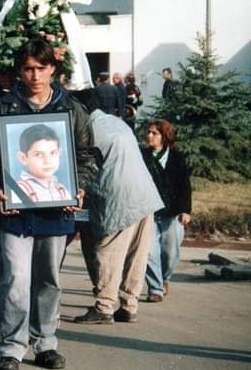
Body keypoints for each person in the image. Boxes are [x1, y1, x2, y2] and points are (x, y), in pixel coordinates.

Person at [0, 39, 96, 370]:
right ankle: (12, 348)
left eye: (41, 68)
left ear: (52, 69)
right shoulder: (3, 108)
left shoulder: (71, 108)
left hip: (56, 210)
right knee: (15, 280)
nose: (35, 76)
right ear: (19, 71)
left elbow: (87, 155)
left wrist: (79, 186)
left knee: (49, 280)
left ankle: (45, 344)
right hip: (14, 213)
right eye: (28, 69)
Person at [70, 90, 164, 325]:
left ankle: (104, 308)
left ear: (81, 110)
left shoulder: (87, 130)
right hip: (145, 195)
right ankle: (129, 306)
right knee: (136, 255)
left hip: (119, 198)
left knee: (108, 252)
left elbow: (82, 167)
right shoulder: (116, 122)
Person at [141, 119, 192, 303]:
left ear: (164, 136)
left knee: (170, 253)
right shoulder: (142, 156)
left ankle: (164, 279)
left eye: (154, 133)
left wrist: (186, 210)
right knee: (149, 252)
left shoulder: (177, 158)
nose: (149, 136)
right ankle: (155, 288)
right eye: (148, 132)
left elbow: (185, 185)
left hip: (173, 213)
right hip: (149, 212)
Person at [12, 124, 72, 204]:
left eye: (53, 153)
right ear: (23, 158)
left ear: (59, 153)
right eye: (38, 154)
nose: (47, 161)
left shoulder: (62, 190)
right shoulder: (19, 191)